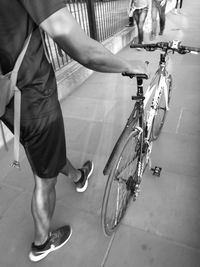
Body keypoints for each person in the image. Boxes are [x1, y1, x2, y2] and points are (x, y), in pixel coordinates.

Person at [0, 0, 148, 263]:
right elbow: (84, 51)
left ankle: (78, 176)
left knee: (44, 150)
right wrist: (128, 65)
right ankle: (41, 243)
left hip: (7, 100)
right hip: (34, 99)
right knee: (44, 180)